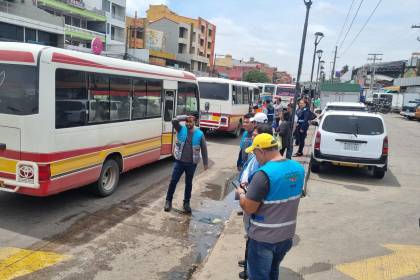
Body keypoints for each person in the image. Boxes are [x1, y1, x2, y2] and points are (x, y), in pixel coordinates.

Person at [236, 133, 305, 280]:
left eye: (255, 153)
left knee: (259, 276)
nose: (255, 157)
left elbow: (249, 208)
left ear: (261, 151)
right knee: (273, 271)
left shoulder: (263, 175)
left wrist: (242, 193)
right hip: (286, 236)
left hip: (263, 238)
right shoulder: (298, 168)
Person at [164, 115, 208, 213]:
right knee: (173, 181)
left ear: (195, 122)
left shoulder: (200, 134)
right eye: (187, 122)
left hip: (191, 164)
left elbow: (204, 149)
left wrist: (205, 163)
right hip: (179, 162)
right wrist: (185, 117)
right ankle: (168, 201)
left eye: (190, 122)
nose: (188, 124)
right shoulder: (180, 129)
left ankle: (186, 203)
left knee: (188, 183)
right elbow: (174, 120)